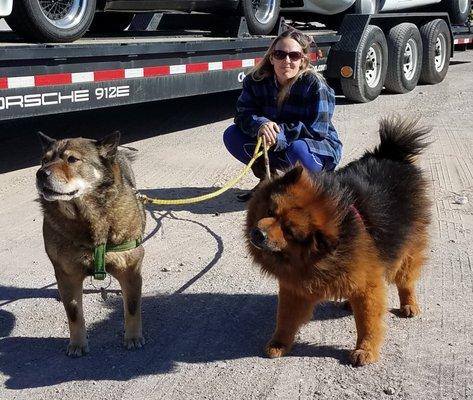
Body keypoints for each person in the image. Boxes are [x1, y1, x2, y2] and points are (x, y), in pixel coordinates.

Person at [223, 28, 343, 201]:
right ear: (272, 57)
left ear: (302, 60)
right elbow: (243, 113)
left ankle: (310, 188)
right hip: (277, 143)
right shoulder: (255, 81)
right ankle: (268, 181)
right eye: (280, 54)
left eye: (294, 56)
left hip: (314, 147)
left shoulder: (316, 86)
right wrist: (261, 124)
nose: (286, 61)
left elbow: (317, 130)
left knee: (298, 149)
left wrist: (279, 133)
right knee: (232, 135)